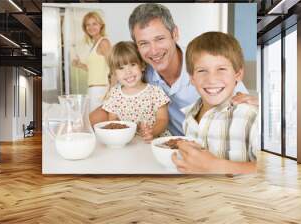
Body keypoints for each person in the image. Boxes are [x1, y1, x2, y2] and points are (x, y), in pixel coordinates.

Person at [90, 3, 257, 135]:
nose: (153, 50)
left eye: (159, 38)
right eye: (144, 43)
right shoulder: (141, 72)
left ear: (175, 33)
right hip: (170, 150)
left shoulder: (204, 66)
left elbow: (243, 108)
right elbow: (108, 109)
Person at [171, 32, 258, 174]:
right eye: (202, 70)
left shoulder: (251, 117)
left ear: (238, 74)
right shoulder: (188, 117)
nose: (211, 79)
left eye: (221, 69)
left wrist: (215, 167)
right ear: (192, 78)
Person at [102, 41, 170, 142]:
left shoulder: (155, 92)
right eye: (121, 68)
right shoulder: (114, 94)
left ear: (142, 65)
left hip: (154, 142)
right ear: (114, 73)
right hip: (129, 143)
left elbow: (162, 120)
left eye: (133, 65)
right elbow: (113, 120)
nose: (128, 72)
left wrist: (152, 132)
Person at [72, 11, 112, 112]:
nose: (91, 27)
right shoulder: (95, 44)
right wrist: (80, 65)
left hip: (101, 89)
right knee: (93, 122)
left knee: (96, 123)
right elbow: (95, 69)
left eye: (94, 23)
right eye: (88, 25)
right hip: (94, 89)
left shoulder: (103, 42)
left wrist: (111, 91)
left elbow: (113, 67)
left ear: (101, 25)